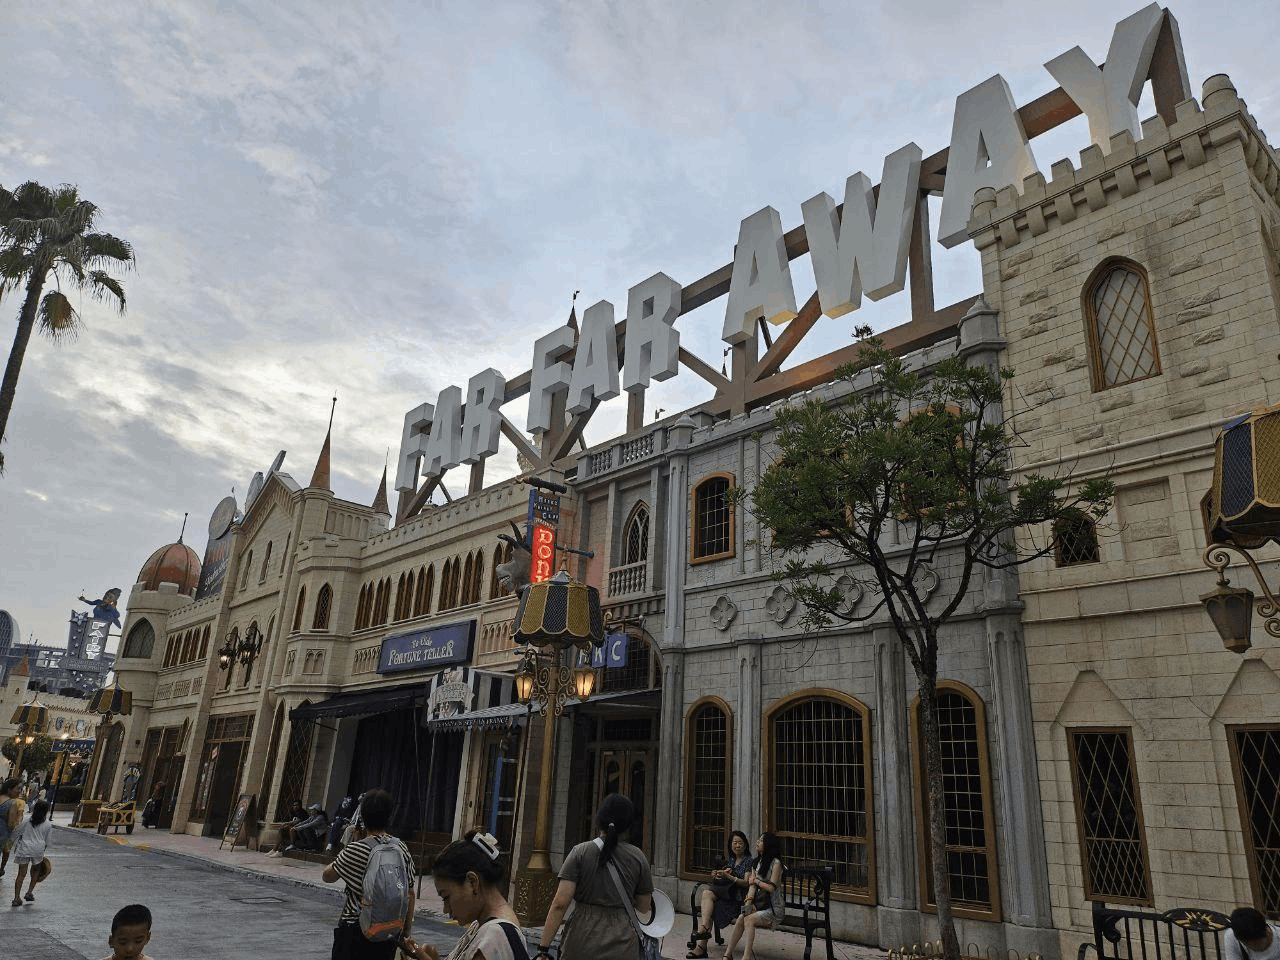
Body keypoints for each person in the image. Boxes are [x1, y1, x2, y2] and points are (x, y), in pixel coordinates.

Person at [538, 793, 654, 960]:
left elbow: (560, 904)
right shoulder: (638, 857)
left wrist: (543, 948)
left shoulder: (580, 852)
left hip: (581, 938)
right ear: (628, 825)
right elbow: (644, 906)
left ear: (599, 820)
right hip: (623, 942)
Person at [400, 830, 529, 960]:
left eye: (446, 897)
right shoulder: (484, 925)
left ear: (472, 882)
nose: (446, 909)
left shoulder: (494, 937)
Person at [322, 788, 416, 960]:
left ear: (363, 817)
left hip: (356, 930)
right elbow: (410, 893)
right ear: (389, 816)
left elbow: (327, 876)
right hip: (390, 930)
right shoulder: (401, 847)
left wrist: (342, 855)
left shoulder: (356, 848)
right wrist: (405, 932)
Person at [688, 830, 754, 958]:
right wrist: (717, 874)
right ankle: (704, 929)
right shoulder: (731, 860)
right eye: (735, 842)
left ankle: (702, 946)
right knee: (707, 893)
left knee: (713, 907)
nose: (737, 845)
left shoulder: (749, 861)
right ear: (730, 845)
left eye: (740, 843)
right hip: (727, 896)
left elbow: (746, 883)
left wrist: (728, 877)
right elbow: (724, 880)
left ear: (745, 845)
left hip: (739, 900)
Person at [721, 833, 784, 960]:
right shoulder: (756, 863)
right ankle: (727, 955)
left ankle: (747, 957)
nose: (757, 842)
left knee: (749, 920)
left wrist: (756, 881)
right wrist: (748, 901)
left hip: (773, 908)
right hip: (759, 905)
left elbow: (771, 888)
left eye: (761, 841)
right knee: (741, 917)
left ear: (768, 845)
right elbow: (752, 887)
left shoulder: (776, 863)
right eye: (758, 839)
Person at [10, 798, 53, 906]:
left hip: (24, 849)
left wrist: (10, 843)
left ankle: (16, 898)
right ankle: (29, 893)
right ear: (46, 811)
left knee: (21, 874)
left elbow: (16, 832)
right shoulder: (48, 824)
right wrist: (42, 851)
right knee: (36, 872)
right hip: (38, 850)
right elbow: (47, 841)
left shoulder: (26, 820)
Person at [0, 777, 25, 877]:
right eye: (18, 788)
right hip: (4, 835)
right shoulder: (12, 803)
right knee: (6, 852)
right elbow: (11, 824)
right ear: (9, 789)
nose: (19, 791)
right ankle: (1, 869)